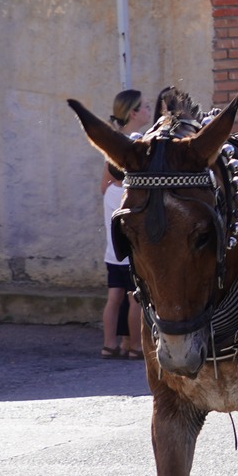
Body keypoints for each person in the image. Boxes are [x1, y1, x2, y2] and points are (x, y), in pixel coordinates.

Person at [101, 89, 148, 360]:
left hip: (111, 252)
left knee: (114, 297)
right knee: (135, 299)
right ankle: (134, 346)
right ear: (133, 112)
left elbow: (103, 185)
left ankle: (109, 344)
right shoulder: (135, 142)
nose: (148, 110)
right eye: (145, 107)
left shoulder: (112, 145)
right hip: (129, 252)